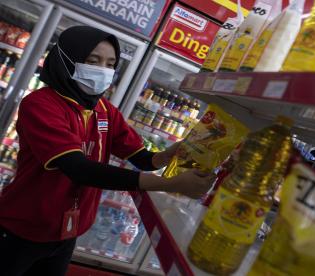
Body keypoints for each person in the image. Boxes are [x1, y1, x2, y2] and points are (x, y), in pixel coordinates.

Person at [0, 26, 215, 276]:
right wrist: (169, 184)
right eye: (93, 61)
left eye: (110, 63)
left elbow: (142, 159)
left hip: (67, 232)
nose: (103, 70)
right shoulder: (40, 104)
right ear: (66, 60)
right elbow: (77, 168)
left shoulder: (104, 110)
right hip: (22, 229)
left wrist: (170, 154)